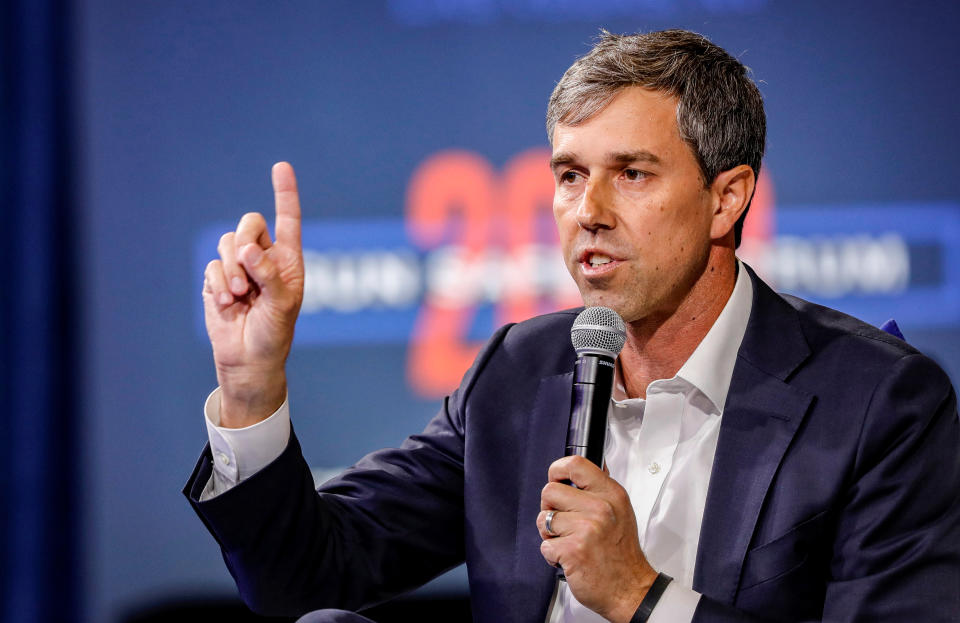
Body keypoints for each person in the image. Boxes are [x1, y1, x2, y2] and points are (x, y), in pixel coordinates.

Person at [184, 29, 960, 622]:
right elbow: (305, 572)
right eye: (568, 175)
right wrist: (251, 388)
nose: (587, 213)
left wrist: (641, 595)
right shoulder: (518, 371)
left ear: (727, 199)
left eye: (632, 174)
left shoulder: (877, 403)